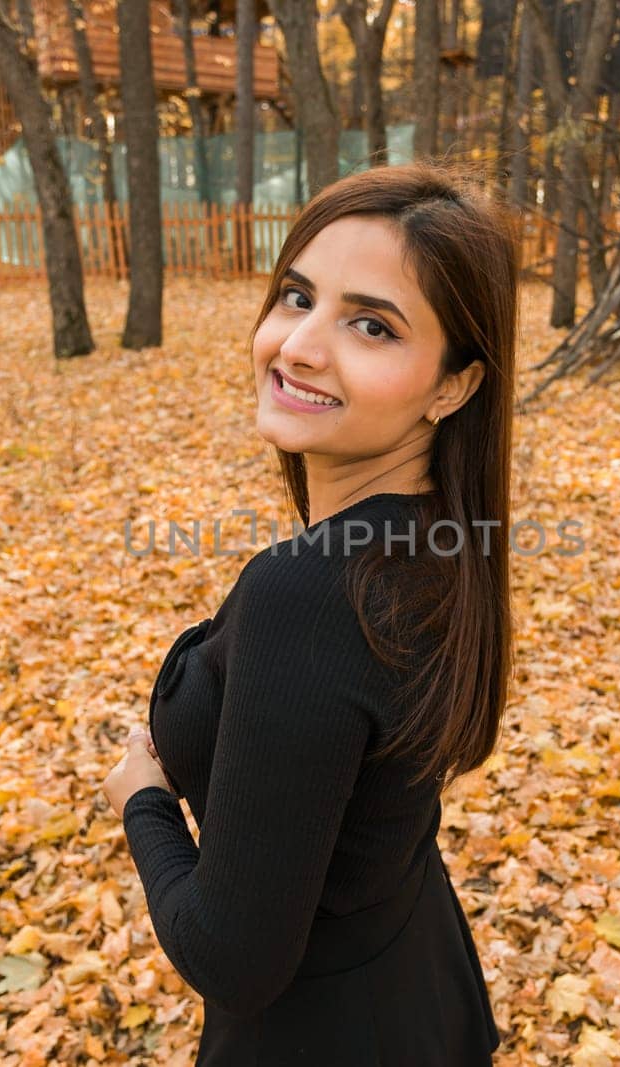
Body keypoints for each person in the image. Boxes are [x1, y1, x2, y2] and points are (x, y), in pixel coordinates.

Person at [102, 162, 518, 1065]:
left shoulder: (313, 593)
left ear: (452, 385)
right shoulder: (441, 544)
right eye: (297, 296)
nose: (299, 346)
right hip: (416, 986)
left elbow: (234, 958)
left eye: (370, 324)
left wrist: (143, 802)